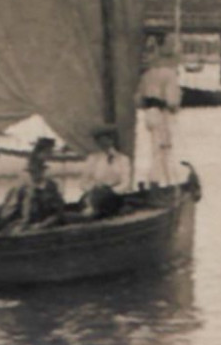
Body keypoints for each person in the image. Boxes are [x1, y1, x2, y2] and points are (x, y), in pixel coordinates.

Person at [139, 49, 182, 186]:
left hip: (149, 114)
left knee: (156, 149)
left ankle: (156, 179)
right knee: (164, 149)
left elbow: (139, 99)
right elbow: (172, 101)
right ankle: (161, 181)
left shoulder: (146, 74)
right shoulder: (170, 74)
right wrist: (175, 107)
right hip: (161, 114)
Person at [0, 155, 65, 232]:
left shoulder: (51, 188)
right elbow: (16, 209)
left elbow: (57, 214)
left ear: (42, 171)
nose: (34, 175)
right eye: (32, 172)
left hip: (46, 228)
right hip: (28, 227)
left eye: (36, 171)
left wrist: (41, 225)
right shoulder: (25, 189)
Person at [78, 129, 132, 220]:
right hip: (94, 194)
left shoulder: (123, 159)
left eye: (106, 139)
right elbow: (83, 182)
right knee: (86, 208)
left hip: (114, 196)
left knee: (103, 208)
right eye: (99, 140)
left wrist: (111, 191)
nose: (103, 143)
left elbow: (126, 183)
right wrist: (92, 189)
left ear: (112, 140)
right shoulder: (93, 158)